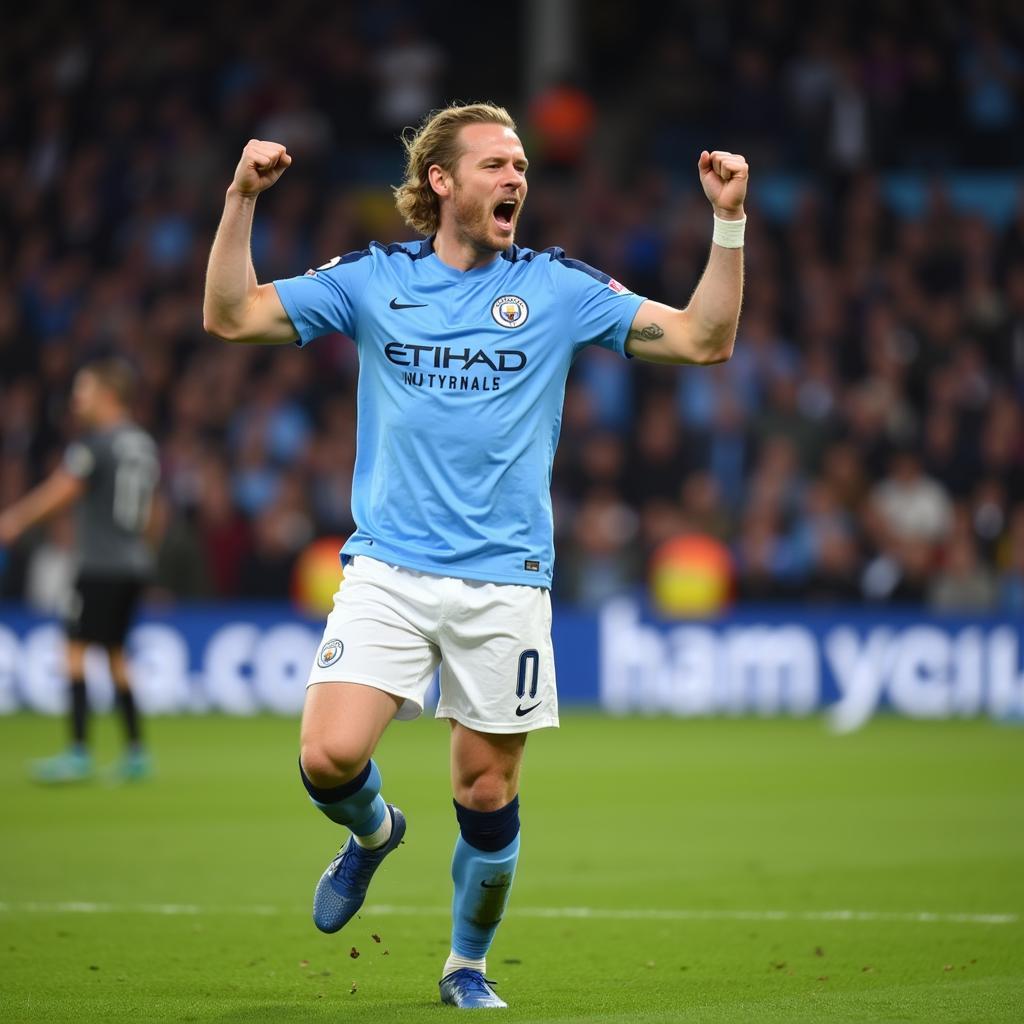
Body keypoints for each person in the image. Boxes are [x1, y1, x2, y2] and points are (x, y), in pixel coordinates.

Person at [203, 102, 747, 1009]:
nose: (518, 179)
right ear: (441, 182)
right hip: (388, 569)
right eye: (497, 164)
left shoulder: (559, 288)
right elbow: (229, 317)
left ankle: (466, 966)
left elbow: (704, 339)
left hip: (506, 581)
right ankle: (374, 834)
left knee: (486, 792)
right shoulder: (372, 280)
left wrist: (728, 219)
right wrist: (240, 198)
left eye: (524, 166)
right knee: (329, 758)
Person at [0, 359, 160, 783]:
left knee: (74, 649)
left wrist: (15, 519)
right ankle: (135, 752)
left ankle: (77, 752)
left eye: (83, 391)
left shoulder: (94, 444)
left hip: (99, 564)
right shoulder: (142, 443)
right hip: (133, 562)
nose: (76, 399)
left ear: (109, 395)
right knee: (115, 653)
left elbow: (63, 489)